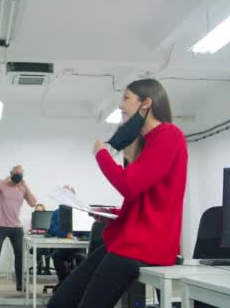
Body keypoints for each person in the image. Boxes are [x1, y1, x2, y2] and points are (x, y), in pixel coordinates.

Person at [47, 79, 188, 308]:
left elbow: (129, 186)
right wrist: (112, 213)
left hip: (145, 246)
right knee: (60, 302)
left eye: (126, 98)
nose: (121, 105)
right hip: (128, 242)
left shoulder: (169, 135)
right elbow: (141, 199)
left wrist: (101, 153)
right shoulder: (145, 143)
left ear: (146, 103)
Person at [0, 165, 38, 292]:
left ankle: (20, 284)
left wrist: (26, 186)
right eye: (16, 173)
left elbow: (33, 203)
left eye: (20, 174)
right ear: (11, 173)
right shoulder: (1, 183)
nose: (18, 176)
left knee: (20, 255)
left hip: (16, 227)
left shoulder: (22, 188)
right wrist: (5, 181)